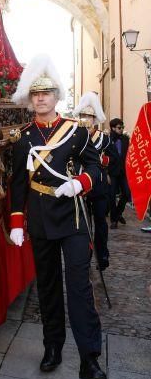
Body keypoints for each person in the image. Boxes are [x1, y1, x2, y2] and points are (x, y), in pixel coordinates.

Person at [9, 54, 106, 379]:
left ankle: (89, 357)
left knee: (79, 287)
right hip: (39, 218)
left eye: (46, 93)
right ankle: (52, 347)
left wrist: (79, 183)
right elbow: (18, 184)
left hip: (74, 218)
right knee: (48, 289)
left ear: (56, 96)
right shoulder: (23, 138)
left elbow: (96, 170)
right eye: (36, 94)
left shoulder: (76, 132)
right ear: (30, 98)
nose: (41, 98)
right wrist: (16, 223)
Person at [73, 91, 117, 271]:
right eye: (83, 115)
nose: (86, 119)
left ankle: (102, 253)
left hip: (98, 187)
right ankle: (86, 254)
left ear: (95, 119)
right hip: (82, 187)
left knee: (100, 222)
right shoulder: (75, 137)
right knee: (83, 225)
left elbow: (115, 159)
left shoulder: (104, 139)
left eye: (90, 116)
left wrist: (103, 162)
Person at [108, 118, 131, 229]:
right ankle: (114, 220)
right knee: (111, 196)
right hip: (112, 172)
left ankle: (117, 213)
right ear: (113, 128)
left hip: (124, 172)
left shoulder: (126, 139)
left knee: (127, 193)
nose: (121, 129)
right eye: (119, 128)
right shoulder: (107, 140)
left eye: (122, 127)